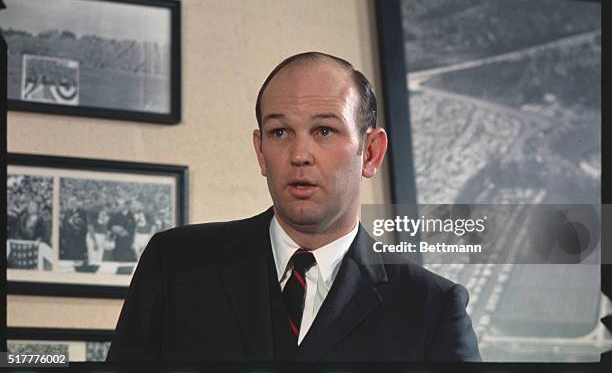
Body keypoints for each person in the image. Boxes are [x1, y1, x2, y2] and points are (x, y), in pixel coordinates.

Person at [107, 52, 481, 361]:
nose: (299, 155)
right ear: (261, 151)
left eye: (324, 131)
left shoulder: (430, 308)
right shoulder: (176, 264)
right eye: (280, 132)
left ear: (370, 152)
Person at [107, 198, 137, 262]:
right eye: (120, 205)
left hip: (128, 241)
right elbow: (109, 227)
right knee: (117, 258)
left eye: (124, 204)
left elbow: (134, 228)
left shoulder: (131, 215)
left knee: (128, 259)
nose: (122, 206)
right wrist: (116, 230)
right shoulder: (115, 215)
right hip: (118, 241)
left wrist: (127, 233)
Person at [59, 196, 89, 261]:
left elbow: (85, 224)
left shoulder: (82, 212)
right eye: (71, 202)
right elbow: (65, 225)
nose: (72, 203)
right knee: (70, 257)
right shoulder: (67, 212)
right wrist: (64, 237)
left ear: (77, 202)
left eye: (74, 201)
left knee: (80, 257)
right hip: (70, 239)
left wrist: (80, 230)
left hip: (80, 238)